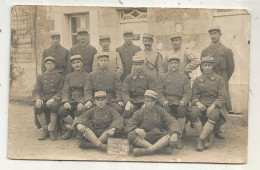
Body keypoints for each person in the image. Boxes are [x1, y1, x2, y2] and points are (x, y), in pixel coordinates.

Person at [201, 26, 235, 139]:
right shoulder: (205, 51)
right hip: (208, 79)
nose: (213, 36)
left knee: (221, 103)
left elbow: (231, 68)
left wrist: (223, 78)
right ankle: (208, 127)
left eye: (215, 33)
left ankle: (218, 128)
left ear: (220, 34)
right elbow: (202, 68)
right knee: (209, 100)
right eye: (211, 33)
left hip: (221, 78)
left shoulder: (226, 50)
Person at [125, 90, 181, 157]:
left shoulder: (160, 111)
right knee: (131, 135)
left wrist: (174, 133)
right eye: (147, 101)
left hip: (159, 137)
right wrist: (137, 129)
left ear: (155, 102)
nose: (149, 103)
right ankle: (159, 149)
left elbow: (171, 121)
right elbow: (129, 125)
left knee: (171, 134)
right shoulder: (139, 112)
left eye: (151, 101)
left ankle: (147, 151)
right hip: (145, 138)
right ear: (144, 101)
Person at [189, 56, 227, 151]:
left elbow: (222, 96)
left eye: (209, 65)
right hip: (201, 104)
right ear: (201, 66)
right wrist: (198, 103)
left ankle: (200, 140)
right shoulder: (197, 80)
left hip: (214, 104)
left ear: (212, 66)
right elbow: (194, 95)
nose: (207, 68)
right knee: (193, 112)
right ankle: (205, 138)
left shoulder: (219, 79)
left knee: (214, 114)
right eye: (205, 65)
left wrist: (213, 105)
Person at [156, 56, 192, 149]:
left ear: (178, 65)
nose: (174, 65)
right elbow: (159, 92)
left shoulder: (184, 77)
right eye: (172, 63)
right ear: (169, 64)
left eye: (176, 63)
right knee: (165, 111)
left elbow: (188, 92)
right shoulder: (162, 76)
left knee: (181, 110)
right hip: (167, 101)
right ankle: (168, 136)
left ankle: (178, 137)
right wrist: (163, 101)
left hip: (179, 102)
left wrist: (183, 101)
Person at [58, 55, 89, 140]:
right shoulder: (69, 77)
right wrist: (66, 101)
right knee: (62, 111)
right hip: (72, 100)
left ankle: (71, 130)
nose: (76, 65)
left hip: (82, 99)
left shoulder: (87, 76)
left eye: (78, 62)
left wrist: (82, 102)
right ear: (72, 65)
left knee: (80, 111)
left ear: (82, 63)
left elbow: (88, 91)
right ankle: (75, 128)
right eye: (74, 63)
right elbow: (65, 90)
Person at [32, 56, 63, 141]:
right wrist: (37, 99)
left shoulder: (59, 76)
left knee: (54, 106)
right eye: (48, 64)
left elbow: (61, 91)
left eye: (51, 64)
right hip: (44, 98)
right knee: (38, 106)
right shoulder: (40, 77)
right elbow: (36, 90)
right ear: (45, 65)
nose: (50, 65)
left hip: (54, 98)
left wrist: (54, 98)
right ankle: (45, 129)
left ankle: (52, 130)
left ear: (54, 65)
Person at [121, 55, 156, 125]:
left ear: (144, 65)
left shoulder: (149, 77)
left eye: (140, 64)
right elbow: (125, 92)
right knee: (127, 113)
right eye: (136, 64)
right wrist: (127, 101)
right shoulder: (129, 77)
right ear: (133, 66)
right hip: (133, 102)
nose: (138, 67)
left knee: (146, 114)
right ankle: (129, 129)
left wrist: (147, 102)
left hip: (145, 101)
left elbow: (153, 91)